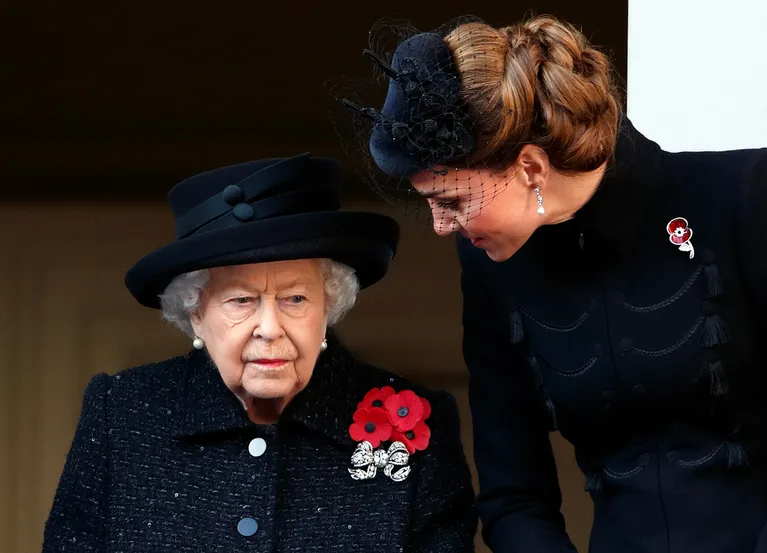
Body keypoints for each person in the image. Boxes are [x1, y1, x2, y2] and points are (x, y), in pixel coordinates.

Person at [334, 14, 767, 553]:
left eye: (452, 201)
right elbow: (512, 500)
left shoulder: (742, 193)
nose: (440, 225)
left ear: (529, 167)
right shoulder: (491, 266)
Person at [42, 153, 477, 552]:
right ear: (196, 313)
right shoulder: (122, 415)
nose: (270, 329)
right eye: (240, 300)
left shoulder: (420, 424)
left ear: (329, 306)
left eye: (295, 299)